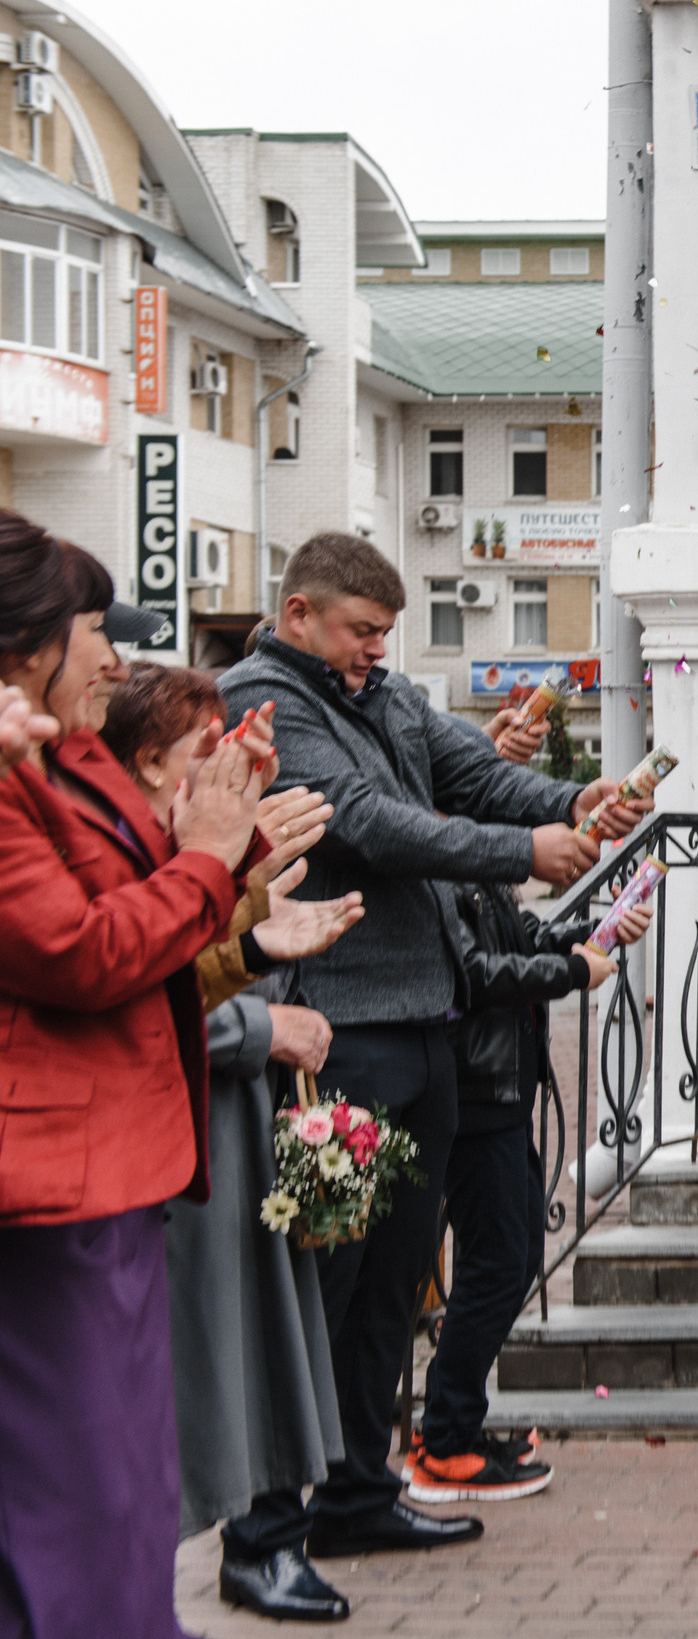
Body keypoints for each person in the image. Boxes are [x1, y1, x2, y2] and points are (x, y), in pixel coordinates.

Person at [217, 533, 652, 1562]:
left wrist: (571, 802)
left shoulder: (391, 696)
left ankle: (359, 1492)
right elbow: (368, 825)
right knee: (319, 1289)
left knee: (395, 1283)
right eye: (362, 631)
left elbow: (468, 772)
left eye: (384, 633)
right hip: (332, 1034)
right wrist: (520, 849)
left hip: (423, 1027)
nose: (377, 648)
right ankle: (270, 1525)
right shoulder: (260, 701)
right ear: (300, 619)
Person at [0, 516, 270, 1639]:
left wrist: (228, 831)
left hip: (106, 1169)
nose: (115, 659)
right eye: (93, 632)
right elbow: (79, 951)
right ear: (26, 648)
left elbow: (146, 895)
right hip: (53, 1178)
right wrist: (210, 857)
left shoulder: (58, 763)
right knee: (83, 1496)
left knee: (124, 1490)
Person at [102, 665, 368, 1624]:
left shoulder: (176, 844)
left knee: (264, 1344)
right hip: (182, 1137)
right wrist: (263, 1017)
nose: (224, 776)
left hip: (232, 1121)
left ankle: (264, 1539)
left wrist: (258, 925)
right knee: (210, 1360)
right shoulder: (120, 850)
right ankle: (239, 1547)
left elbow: (201, 960)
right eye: (204, 757)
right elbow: (131, 988)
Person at [408, 864, 649, 1503]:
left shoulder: (473, 866)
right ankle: (445, 1442)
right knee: (497, 1264)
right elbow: (477, 974)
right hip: (476, 1092)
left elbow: (518, 935)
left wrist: (597, 931)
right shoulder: (443, 868)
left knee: (512, 1264)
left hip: (500, 1090)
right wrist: (572, 972)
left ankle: (452, 1423)